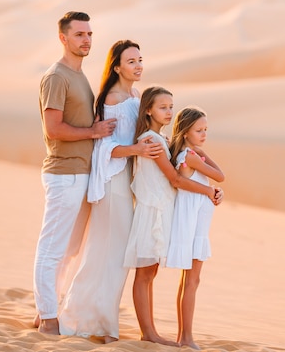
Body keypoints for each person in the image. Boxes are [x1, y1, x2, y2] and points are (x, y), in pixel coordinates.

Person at [57, 40, 163, 343]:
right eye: (131, 61)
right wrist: (136, 149)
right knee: (109, 254)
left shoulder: (135, 95)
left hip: (126, 182)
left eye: (140, 59)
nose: (139, 65)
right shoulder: (112, 99)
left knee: (113, 254)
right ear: (116, 66)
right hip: (111, 182)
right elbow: (103, 147)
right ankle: (89, 321)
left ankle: (95, 320)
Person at [33, 11, 117, 335]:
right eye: (79, 34)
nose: (86, 40)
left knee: (68, 253)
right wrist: (94, 133)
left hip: (81, 175)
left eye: (90, 34)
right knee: (52, 249)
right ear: (63, 38)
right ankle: (48, 319)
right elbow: (54, 129)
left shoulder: (79, 75)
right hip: (64, 173)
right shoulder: (57, 77)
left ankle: (48, 313)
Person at [124, 86, 223, 346]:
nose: (169, 112)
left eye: (170, 107)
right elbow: (175, 179)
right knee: (144, 274)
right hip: (152, 210)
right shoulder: (152, 140)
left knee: (149, 273)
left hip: (160, 209)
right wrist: (208, 190)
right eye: (162, 107)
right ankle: (148, 332)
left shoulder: (160, 139)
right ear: (148, 110)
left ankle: (151, 331)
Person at [166, 106, 225, 350]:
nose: (204, 135)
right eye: (199, 130)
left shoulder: (189, 153)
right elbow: (219, 176)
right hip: (190, 226)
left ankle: (184, 335)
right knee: (191, 281)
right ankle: (186, 337)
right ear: (185, 131)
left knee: (189, 281)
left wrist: (199, 150)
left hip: (196, 224)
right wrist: (201, 154)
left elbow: (214, 182)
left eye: (206, 130)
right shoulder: (189, 156)